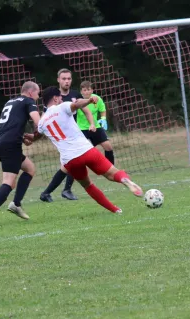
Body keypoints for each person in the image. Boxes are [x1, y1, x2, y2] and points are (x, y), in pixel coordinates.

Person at [32, 86, 142, 214]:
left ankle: (115, 210)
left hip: (70, 160)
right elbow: (77, 104)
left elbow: (37, 135)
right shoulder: (62, 107)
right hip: (86, 150)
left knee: (88, 185)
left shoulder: (42, 122)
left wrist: (29, 139)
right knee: (112, 173)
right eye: (60, 97)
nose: (62, 99)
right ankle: (125, 180)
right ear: (55, 98)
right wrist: (89, 101)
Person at [0, 81, 41, 228]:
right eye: (37, 94)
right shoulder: (29, 101)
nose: (37, 97)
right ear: (31, 92)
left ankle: (16, 204)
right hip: (10, 145)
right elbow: (39, 123)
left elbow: (11, 124)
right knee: (8, 182)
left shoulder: (11, 101)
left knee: (30, 168)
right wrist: (36, 136)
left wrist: (23, 136)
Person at [39, 68, 95, 202]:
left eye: (69, 79)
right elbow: (44, 119)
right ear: (58, 80)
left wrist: (92, 123)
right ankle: (59, 191)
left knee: (69, 166)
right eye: (64, 79)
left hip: (74, 137)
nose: (66, 81)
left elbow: (86, 110)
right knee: (70, 165)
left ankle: (54, 192)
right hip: (63, 140)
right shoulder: (53, 98)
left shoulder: (75, 94)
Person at [77, 80, 114, 163]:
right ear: (81, 91)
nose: (87, 92)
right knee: (78, 154)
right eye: (85, 90)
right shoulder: (78, 101)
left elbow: (102, 110)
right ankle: (72, 174)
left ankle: (112, 170)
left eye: (89, 89)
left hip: (95, 127)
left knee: (108, 147)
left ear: (92, 90)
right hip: (81, 129)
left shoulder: (97, 99)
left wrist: (103, 118)